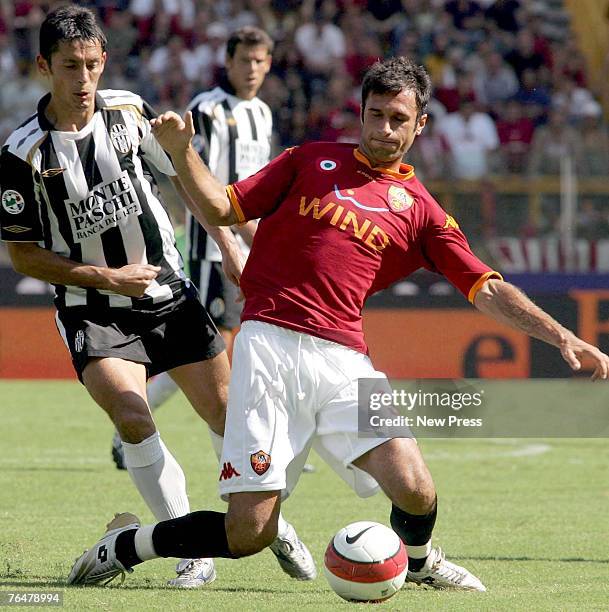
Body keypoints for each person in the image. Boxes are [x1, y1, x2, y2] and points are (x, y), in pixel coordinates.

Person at [68, 56, 609, 590]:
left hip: (344, 361)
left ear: (420, 125)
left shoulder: (421, 211)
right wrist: (183, 152)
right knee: (249, 531)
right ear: (361, 112)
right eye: (375, 114)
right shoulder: (308, 159)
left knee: (417, 490)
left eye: (398, 119)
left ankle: (417, 561)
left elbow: (484, 288)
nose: (383, 129)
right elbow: (222, 204)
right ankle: (125, 547)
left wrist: (560, 334)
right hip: (269, 348)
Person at [0, 5, 315, 589]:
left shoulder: (127, 111)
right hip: (91, 308)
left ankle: (272, 523)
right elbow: (24, 256)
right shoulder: (22, 155)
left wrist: (224, 239)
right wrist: (106, 279)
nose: (84, 79)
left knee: (227, 415)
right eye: (71, 66)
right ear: (44, 67)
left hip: (168, 294)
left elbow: (184, 178)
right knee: (132, 415)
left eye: (93, 64)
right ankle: (188, 545)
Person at [111, 25, 274, 470]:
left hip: (248, 245)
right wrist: (234, 244)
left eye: (261, 61)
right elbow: (197, 178)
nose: (253, 68)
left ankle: (248, 443)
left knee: (227, 345)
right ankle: (228, 452)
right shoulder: (206, 110)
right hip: (213, 249)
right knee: (209, 348)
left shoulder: (262, 113)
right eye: (245, 60)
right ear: (229, 61)